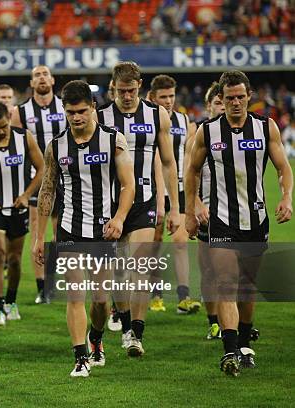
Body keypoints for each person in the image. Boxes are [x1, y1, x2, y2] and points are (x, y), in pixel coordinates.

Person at [185, 70, 292, 376]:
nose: (234, 102)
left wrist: (287, 197)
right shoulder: (208, 132)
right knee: (226, 284)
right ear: (221, 98)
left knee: (247, 288)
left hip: (256, 220)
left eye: (240, 97)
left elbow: (284, 167)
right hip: (221, 221)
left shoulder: (265, 127)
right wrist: (193, 207)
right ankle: (230, 352)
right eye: (229, 98)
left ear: (249, 96)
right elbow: (191, 171)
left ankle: (244, 344)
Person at [33, 80, 134, 377]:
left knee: (101, 301)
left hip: (103, 230)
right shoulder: (56, 146)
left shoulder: (113, 140)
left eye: (81, 111)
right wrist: (39, 237)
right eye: (70, 112)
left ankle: (96, 338)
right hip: (69, 230)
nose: (76, 117)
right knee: (76, 294)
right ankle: (80, 357)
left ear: (92, 108)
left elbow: (128, 185)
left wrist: (118, 218)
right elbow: (47, 191)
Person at [95, 61, 180, 357]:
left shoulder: (158, 115)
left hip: (144, 199)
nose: (127, 96)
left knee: (140, 267)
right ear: (113, 87)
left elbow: (168, 163)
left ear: (140, 86)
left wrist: (174, 208)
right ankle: (126, 322)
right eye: (121, 91)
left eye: (131, 90)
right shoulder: (101, 116)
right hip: (111, 204)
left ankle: (136, 334)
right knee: (119, 270)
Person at [0, 102, 44, 325]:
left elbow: (42, 168)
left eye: (3, 126)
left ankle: (11, 301)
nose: (0, 131)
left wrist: (26, 195)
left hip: (17, 207)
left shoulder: (25, 138)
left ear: (9, 118)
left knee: (14, 260)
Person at [12, 65, 68, 303]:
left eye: (45, 74)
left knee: (60, 233)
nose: (42, 78)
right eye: (37, 75)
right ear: (32, 83)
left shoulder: (65, 107)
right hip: (36, 180)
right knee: (38, 232)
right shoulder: (20, 111)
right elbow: (14, 145)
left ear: (52, 80)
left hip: (65, 178)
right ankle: (42, 287)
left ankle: (53, 282)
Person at [147, 74, 201, 314]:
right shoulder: (147, 119)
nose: (168, 101)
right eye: (163, 97)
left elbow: (189, 159)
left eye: (171, 96)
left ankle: (183, 297)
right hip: (152, 189)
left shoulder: (184, 120)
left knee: (180, 242)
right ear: (152, 97)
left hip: (178, 189)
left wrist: (192, 196)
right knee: (154, 243)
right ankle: (156, 294)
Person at [191, 81, 225, 340]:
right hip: (208, 213)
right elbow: (189, 173)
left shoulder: (247, 132)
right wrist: (195, 205)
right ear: (209, 106)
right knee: (210, 271)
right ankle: (214, 321)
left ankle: (236, 324)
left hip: (239, 213)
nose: (223, 107)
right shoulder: (201, 134)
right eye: (218, 102)